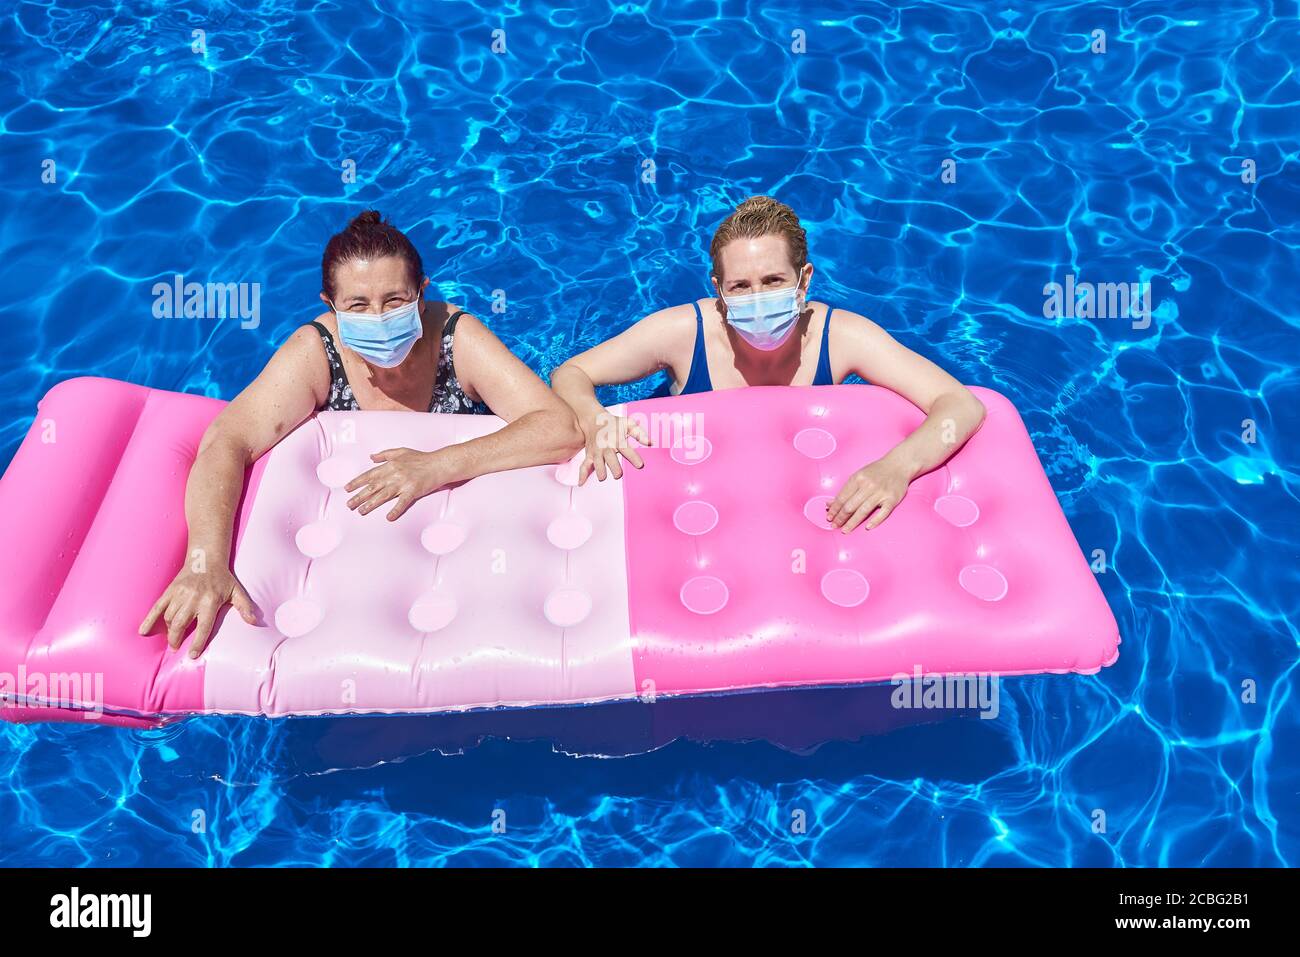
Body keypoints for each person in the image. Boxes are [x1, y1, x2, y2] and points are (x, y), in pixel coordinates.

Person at [140, 210, 582, 658]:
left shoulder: (456, 338)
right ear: (330, 305)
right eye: (357, 305)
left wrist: (438, 464)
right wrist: (204, 562)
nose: (379, 319)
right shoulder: (317, 352)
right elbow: (226, 442)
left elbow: (559, 427)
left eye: (395, 300)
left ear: (421, 293)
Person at [552, 195, 986, 533]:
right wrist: (594, 419)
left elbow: (959, 404)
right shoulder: (683, 333)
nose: (758, 299)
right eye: (741, 286)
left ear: (804, 281)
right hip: (692, 485)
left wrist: (896, 467)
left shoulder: (841, 336)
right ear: (718, 290)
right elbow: (571, 373)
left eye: (774, 281)